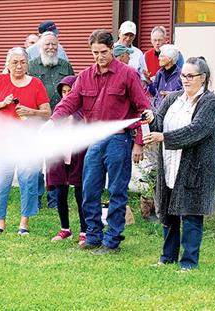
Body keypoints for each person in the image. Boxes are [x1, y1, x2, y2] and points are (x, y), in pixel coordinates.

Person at [50, 30, 150, 254]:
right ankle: (93, 237)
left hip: (118, 140)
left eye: (103, 52)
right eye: (95, 52)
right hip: (94, 140)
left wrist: (139, 142)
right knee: (89, 189)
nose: (99, 56)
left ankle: (112, 241)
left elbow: (143, 109)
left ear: (112, 48)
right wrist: (52, 121)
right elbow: (70, 102)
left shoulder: (128, 74)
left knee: (117, 191)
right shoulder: (85, 76)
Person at [143, 57, 215, 271]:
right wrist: (151, 119)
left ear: (202, 78)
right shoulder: (174, 98)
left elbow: (196, 131)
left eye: (190, 76)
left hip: (195, 168)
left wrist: (164, 138)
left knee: (191, 214)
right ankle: (167, 257)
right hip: (170, 165)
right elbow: (159, 122)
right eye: (183, 75)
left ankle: (188, 262)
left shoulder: (210, 102)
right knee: (169, 213)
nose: (184, 79)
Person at [0, 47, 51, 236]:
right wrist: (1, 104)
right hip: (1, 142)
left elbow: (47, 112)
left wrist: (31, 112)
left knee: (28, 182)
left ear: (28, 64)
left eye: (22, 62)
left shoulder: (36, 84)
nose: (18, 66)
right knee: (1, 182)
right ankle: (0, 223)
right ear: (7, 65)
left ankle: (24, 224)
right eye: (14, 62)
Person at [28, 31, 74, 209]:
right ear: (40, 46)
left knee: (55, 162)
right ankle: (36, 197)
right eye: (47, 44)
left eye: (54, 45)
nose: (50, 48)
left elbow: (73, 91)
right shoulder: (32, 66)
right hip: (38, 121)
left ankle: (54, 200)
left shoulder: (65, 66)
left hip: (60, 121)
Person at [47, 76, 87, 244]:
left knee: (80, 195)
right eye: (63, 92)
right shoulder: (59, 110)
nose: (66, 95)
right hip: (59, 157)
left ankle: (84, 231)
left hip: (78, 156)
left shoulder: (84, 111)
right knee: (60, 193)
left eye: (69, 92)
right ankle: (65, 229)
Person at [147, 44, 182, 110]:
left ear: (170, 59)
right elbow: (154, 93)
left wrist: (172, 95)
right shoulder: (159, 73)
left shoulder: (181, 75)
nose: (158, 58)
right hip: (158, 111)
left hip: (173, 111)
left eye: (162, 56)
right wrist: (148, 82)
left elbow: (185, 95)